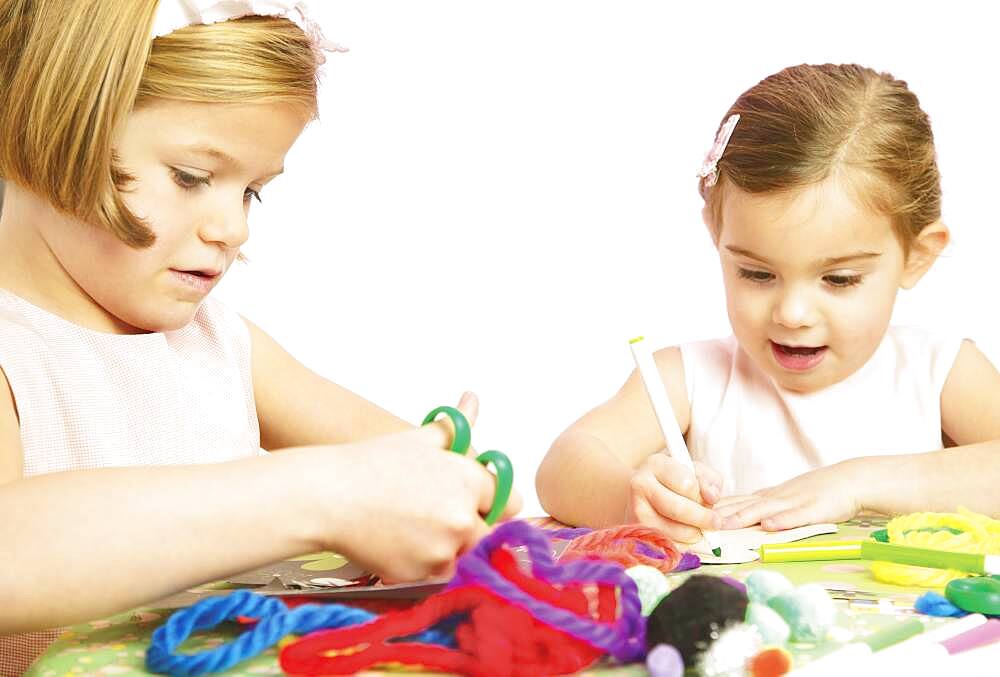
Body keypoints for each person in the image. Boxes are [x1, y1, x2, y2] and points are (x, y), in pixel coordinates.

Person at [0, 0, 519, 669]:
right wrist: (321, 497)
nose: (233, 228)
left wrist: (456, 489)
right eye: (192, 176)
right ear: (45, 123)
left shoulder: (219, 343)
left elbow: (420, 476)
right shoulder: (15, 348)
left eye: (252, 191)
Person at [536, 63, 1000, 547]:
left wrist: (856, 482)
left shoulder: (939, 371)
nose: (792, 313)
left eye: (839, 279)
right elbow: (563, 467)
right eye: (757, 274)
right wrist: (633, 503)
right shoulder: (687, 378)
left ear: (917, 256)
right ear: (718, 238)